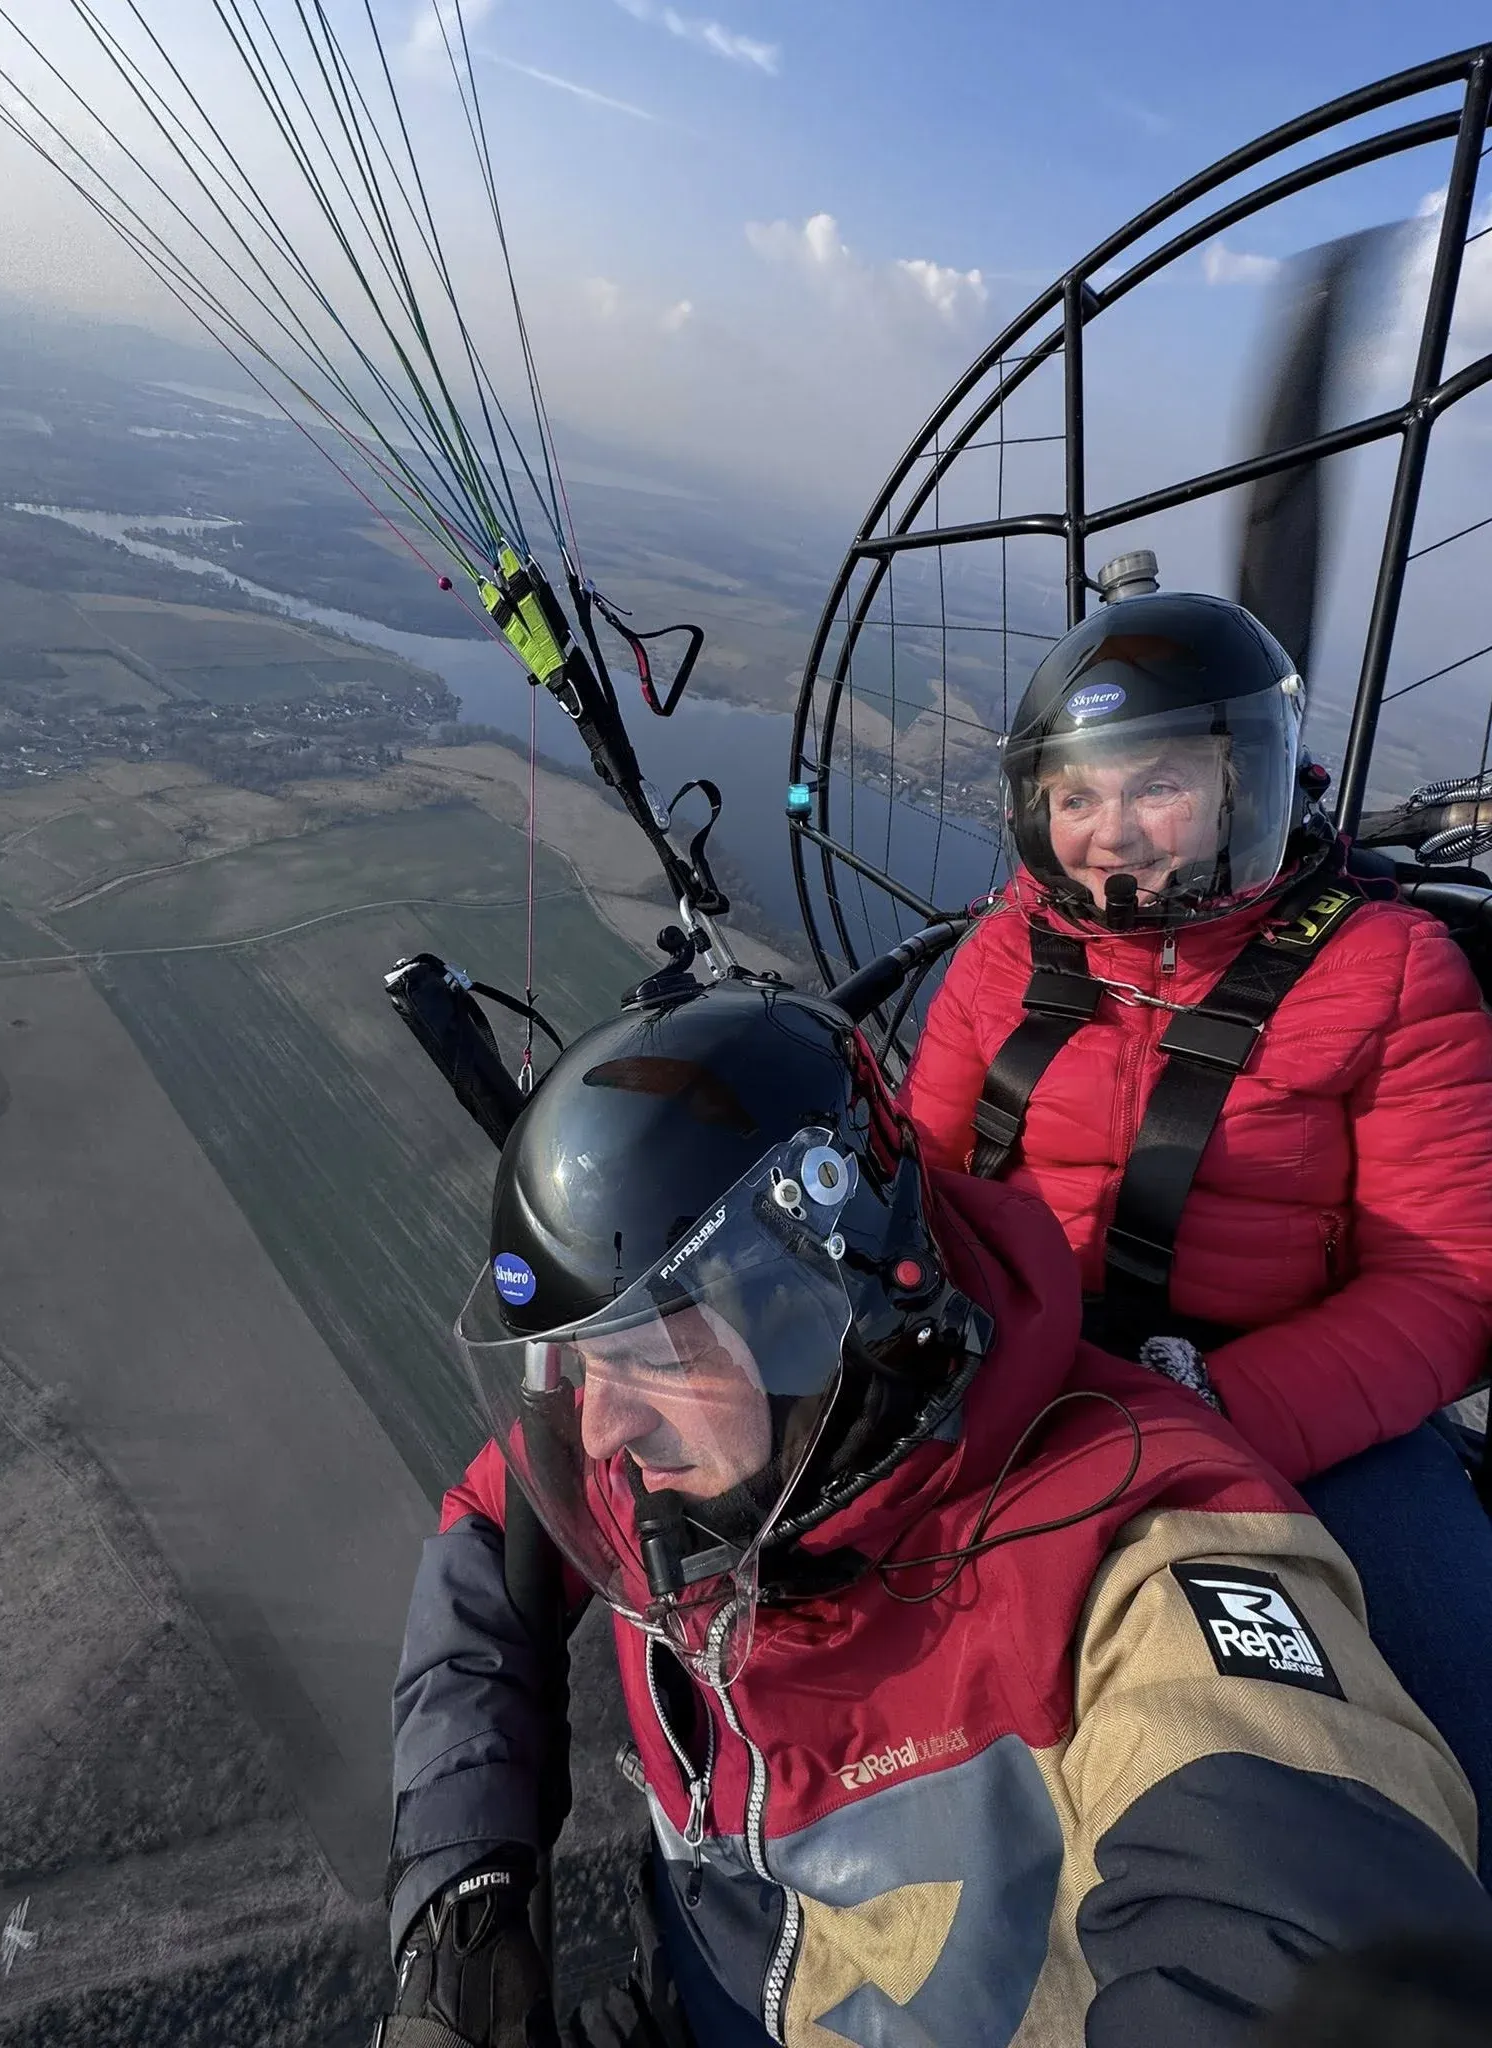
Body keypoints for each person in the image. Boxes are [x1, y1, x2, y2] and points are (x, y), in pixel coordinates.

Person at [375, 976, 1492, 2048]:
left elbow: (1304, 1937)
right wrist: (461, 1894)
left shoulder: (1138, 1567)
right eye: (571, 1367)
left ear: (818, 1302)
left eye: (647, 1353)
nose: (602, 1428)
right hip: (717, 1988)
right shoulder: (694, 1439)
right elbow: (487, 1532)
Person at [899, 587, 1492, 1865]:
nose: (1111, 835)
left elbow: (1445, 1289)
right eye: (1077, 796)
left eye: (1156, 785)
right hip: (1020, 1370)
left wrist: (1219, 1401)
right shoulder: (1006, 953)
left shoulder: (1390, 971)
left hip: (1297, 1409)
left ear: (1244, 785)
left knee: (1456, 1736)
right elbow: (923, 1172)